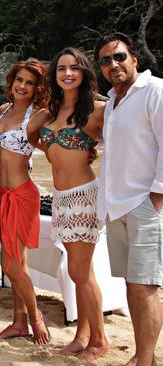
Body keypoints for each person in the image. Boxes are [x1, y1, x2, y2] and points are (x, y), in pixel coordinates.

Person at [32, 47, 108, 361]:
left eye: (74, 68)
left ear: (84, 73)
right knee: (79, 271)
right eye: (61, 68)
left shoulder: (99, 109)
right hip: (61, 198)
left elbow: (131, 137)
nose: (67, 73)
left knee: (80, 271)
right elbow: (32, 135)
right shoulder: (51, 112)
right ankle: (83, 334)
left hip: (84, 197)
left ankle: (100, 340)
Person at [96, 33, 163, 366]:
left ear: (134, 59)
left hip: (145, 205)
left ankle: (146, 360)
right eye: (106, 60)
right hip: (117, 205)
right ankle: (142, 355)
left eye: (119, 57)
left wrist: (156, 197)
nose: (114, 64)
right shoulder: (112, 102)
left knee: (145, 286)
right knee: (131, 285)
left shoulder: (155, 91)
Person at [0, 61, 50, 342]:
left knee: (13, 265)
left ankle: (35, 318)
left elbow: (53, 146)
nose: (22, 86)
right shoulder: (3, 110)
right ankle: (18, 321)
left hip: (21, 194)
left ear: (38, 89)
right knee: (13, 262)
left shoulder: (40, 114)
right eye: (19, 80)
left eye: (30, 83)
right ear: (11, 81)